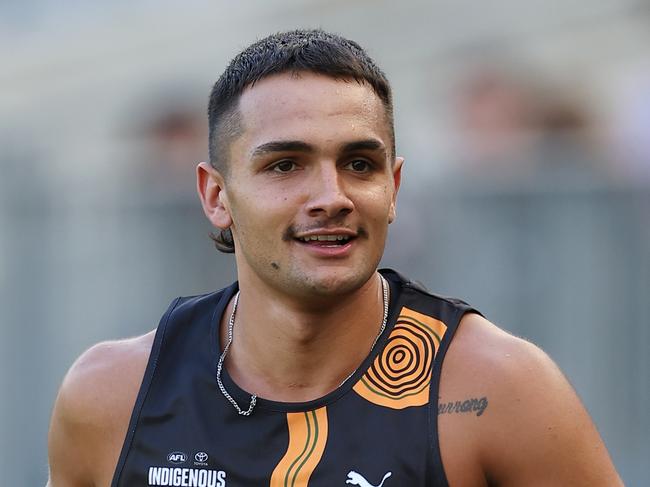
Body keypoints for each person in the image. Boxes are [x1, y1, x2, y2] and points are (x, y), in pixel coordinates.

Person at [47, 29, 622, 487]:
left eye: (359, 164)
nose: (332, 197)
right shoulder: (114, 394)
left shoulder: (496, 390)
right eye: (285, 165)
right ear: (217, 196)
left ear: (394, 188)